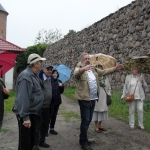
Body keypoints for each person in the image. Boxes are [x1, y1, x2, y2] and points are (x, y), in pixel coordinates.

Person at [74, 52, 123, 150]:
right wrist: (83, 68)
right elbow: (76, 73)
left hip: (93, 99)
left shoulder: (94, 69)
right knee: (85, 120)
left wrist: (115, 69)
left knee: (88, 120)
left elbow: (104, 72)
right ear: (81, 61)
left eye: (89, 58)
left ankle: (84, 139)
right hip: (84, 99)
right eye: (85, 59)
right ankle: (83, 142)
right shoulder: (79, 68)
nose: (88, 60)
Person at [13, 53, 46, 150]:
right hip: (28, 114)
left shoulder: (33, 75)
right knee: (25, 142)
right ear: (35, 64)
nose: (42, 63)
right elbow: (23, 98)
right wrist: (25, 117)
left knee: (32, 140)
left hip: (33, 112)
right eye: (40, 62)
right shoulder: (26, 77)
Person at [121, 64, 147, 130]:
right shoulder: (128, 77)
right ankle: (132, 124)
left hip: (139, 97)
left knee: (140, 110)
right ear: (132, 70)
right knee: (131, 110)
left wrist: (143, 81)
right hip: (131, 97)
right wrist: (123, 95)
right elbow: (125, 87)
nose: (136, 70)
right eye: (135, 69)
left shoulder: (140, 76)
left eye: (137, 69)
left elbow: (145, 86)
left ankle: (141, 124)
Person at [92, 64, 111, 133]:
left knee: (102, 112)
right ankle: (96, 127)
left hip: (104, 97)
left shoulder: (106, 78)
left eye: (101, 69)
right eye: (99, 69)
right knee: (96, 111)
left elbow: (109, 87)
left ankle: (100, 125)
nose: (100, 71)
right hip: (97, 97)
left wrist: (108, 95)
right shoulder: (94, 78)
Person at [38, 63, 53, 148]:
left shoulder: (51, 79)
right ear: (43, 70)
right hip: (40, 107)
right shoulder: (39, 78)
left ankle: (42, 141)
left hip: (48, 107)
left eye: (51, 69)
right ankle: (35, 143)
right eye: (48, 69)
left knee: (45, 125)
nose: (49, 71)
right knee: (38, 126)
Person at [48, 69, 64, 135]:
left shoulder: (59, 81)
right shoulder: (49, 81)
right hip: (50, 102)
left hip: (57, 101)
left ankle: (52, 129)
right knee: (49, 116)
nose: (55, 74)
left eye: (56, 73)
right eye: (54, 73)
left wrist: (61, 86)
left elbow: (61, 92)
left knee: (54, 116)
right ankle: (46, 129)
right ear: (51, 74)